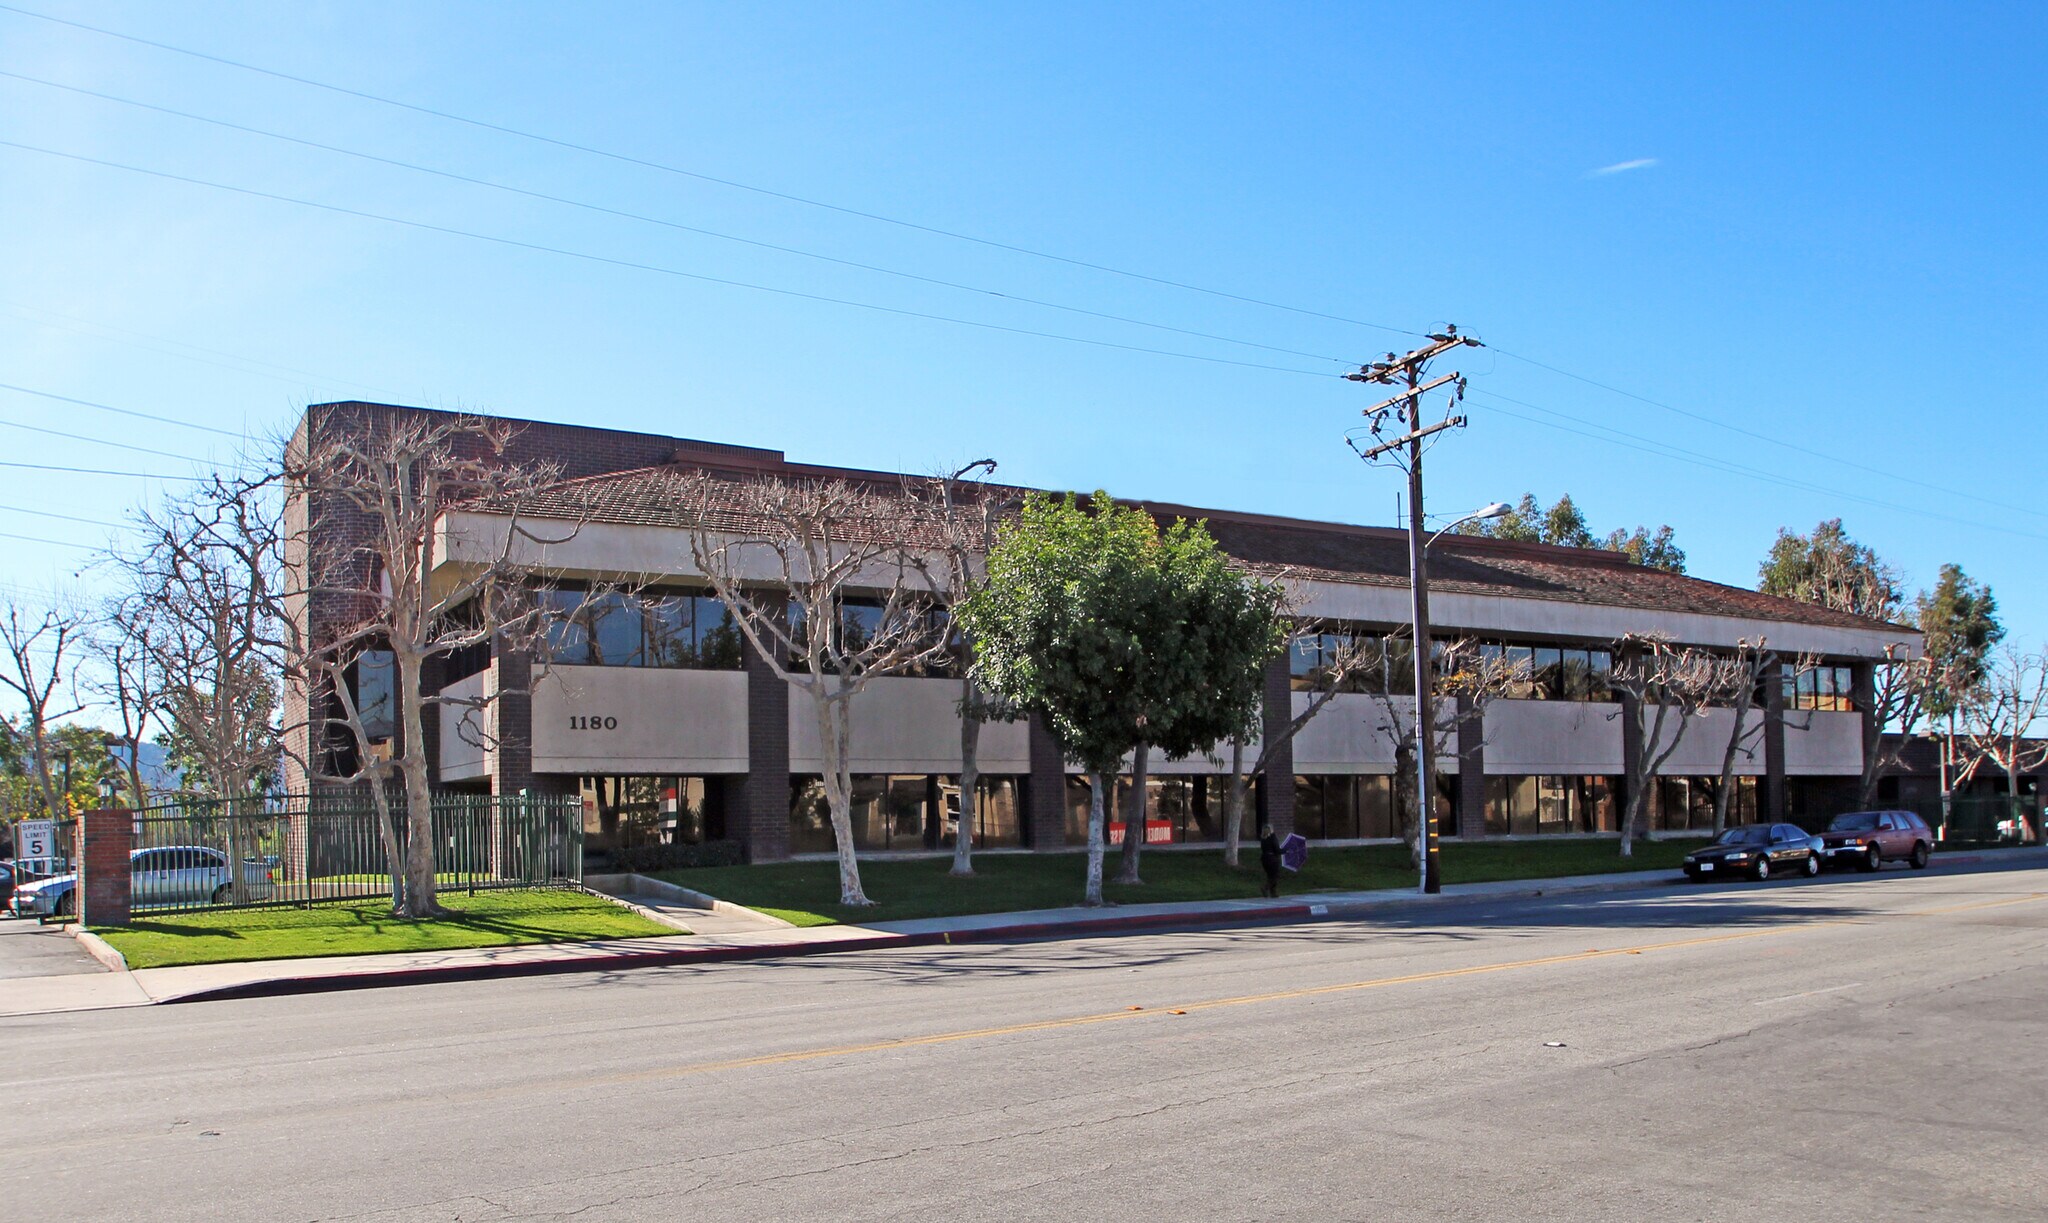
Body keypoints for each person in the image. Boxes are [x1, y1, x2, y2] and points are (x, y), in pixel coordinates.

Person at [1258, 822, 1283, 898]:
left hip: (1264, 859)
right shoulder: (1273, 837)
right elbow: (1277, 850)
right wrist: (1286, 850)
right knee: (1275, 876)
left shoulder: (1263, 838)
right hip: (1272, 859)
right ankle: (1265, 888)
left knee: (1270, 875)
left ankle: (1273, 892)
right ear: (1271, 830)